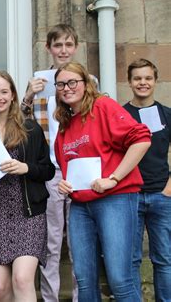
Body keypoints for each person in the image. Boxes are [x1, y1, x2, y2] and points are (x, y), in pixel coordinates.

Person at [55, 62, 151, 301]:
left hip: (115, 200)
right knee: (85, 282)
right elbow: (68, 167)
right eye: (61, 84)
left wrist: (114, 178)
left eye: (72, 82)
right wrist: (64, 184)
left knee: (120, 280)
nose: (66, 88)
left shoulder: (103, 106)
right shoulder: (65, 125)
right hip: (80, 206)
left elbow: (142, 140)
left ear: (86, 84)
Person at [0, 70, 55, 301]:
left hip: (27, 214)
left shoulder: (30, 128)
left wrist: (25, 168)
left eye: (4, 92)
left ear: (12, 96)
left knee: (22, 279)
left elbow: (47, 170)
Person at [21, 24, 80, 302]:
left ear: (76, 48)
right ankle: (50, 299)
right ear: (48, 49)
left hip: (79, 171)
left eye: (68, 45)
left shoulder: (87, 80)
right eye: (58, 45)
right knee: (52, 243)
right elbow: (19, 124)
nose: (63, 50)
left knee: (80, 242)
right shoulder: (39, 83)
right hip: (51, 172)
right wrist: (28, 96)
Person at [123, 58, 171, 301]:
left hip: (162, 196)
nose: (143, 83)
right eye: (137, 78)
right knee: (131, 259)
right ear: (130, 82)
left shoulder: (167, 114)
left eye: (147, 78)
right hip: (130, 197)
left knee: (164, 258)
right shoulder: (120, 115)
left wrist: (170, 187)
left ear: (155, 81)